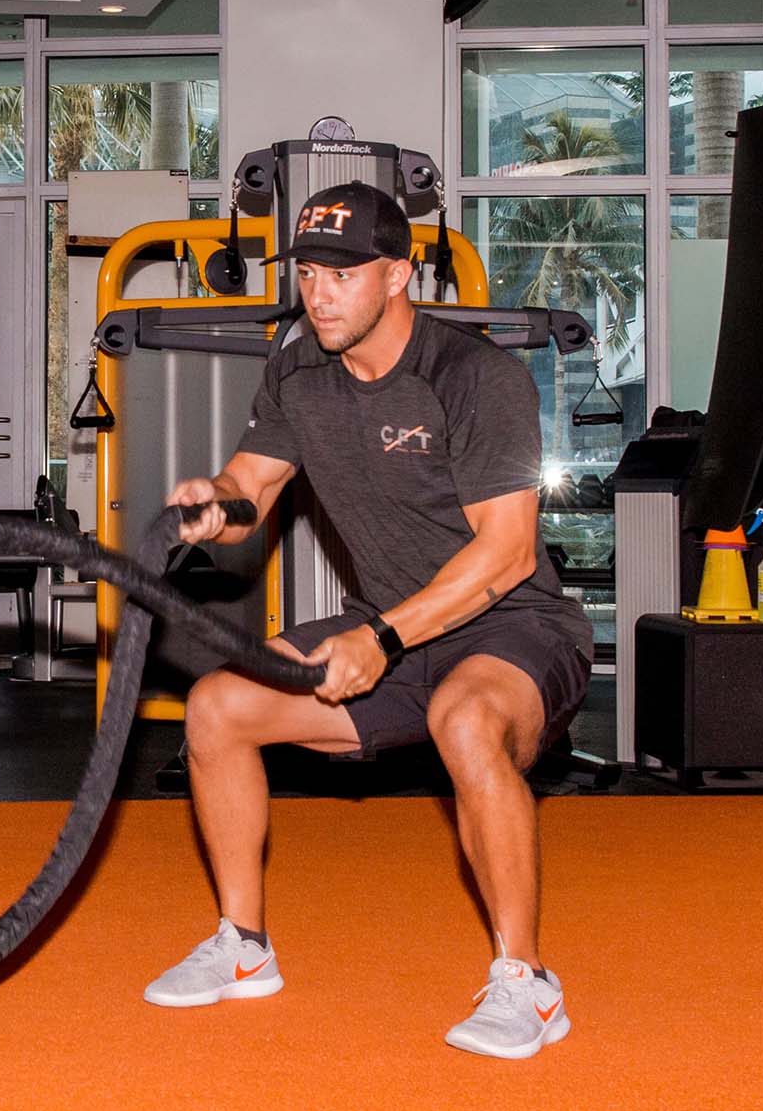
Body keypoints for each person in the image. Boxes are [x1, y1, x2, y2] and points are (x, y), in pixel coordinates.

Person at [143, 180, 593, 1061]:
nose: (319, 294)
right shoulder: (298, 372)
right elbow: (252, 488)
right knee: (216, 709)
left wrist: (382, 637)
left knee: (466, 719)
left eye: (343, 274)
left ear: (398, 273)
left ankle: (527, 982)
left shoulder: (474, 377)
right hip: (386, 628)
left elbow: (506, 553)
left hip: (514, 626)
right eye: (308, 272)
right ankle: (243, 946)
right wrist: (213, 503)